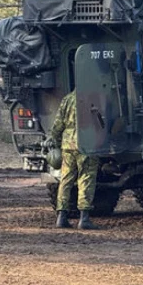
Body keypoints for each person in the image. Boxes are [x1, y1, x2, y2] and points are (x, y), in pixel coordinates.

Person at [49, 90, 100, 230]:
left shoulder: (67, 99)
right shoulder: (92, 97)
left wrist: (55, 140)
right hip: (86, 143)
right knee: (86, 179)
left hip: (68, 144)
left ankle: (61, 217)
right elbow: (100, 123)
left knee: (65, 179)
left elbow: (58, 123)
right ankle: (84, 218)